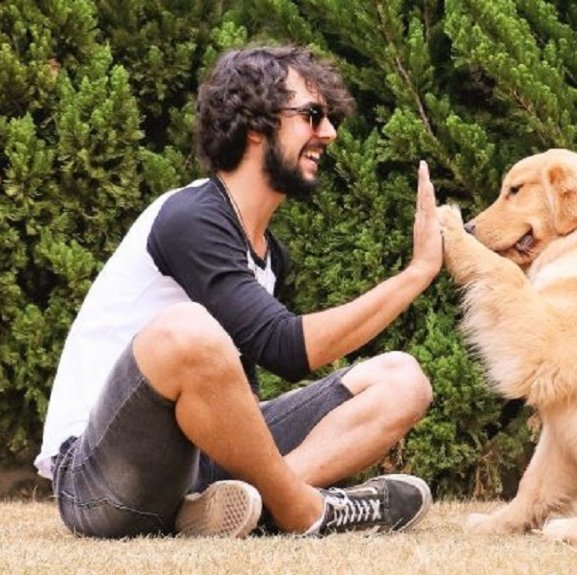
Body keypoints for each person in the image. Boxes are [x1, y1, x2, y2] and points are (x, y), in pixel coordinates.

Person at [33, 44, 444, 538]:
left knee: (403, 380)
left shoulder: (270, 254)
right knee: (188, 332)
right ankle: (307, 509)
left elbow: (243, 393)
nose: (329, 133)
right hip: (98, 479)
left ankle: (239, 507)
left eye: (329, 116)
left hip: (196, 466)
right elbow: (284, 347)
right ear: (256, 125)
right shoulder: (190, 218)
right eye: (312, 115)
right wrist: (416, 274)